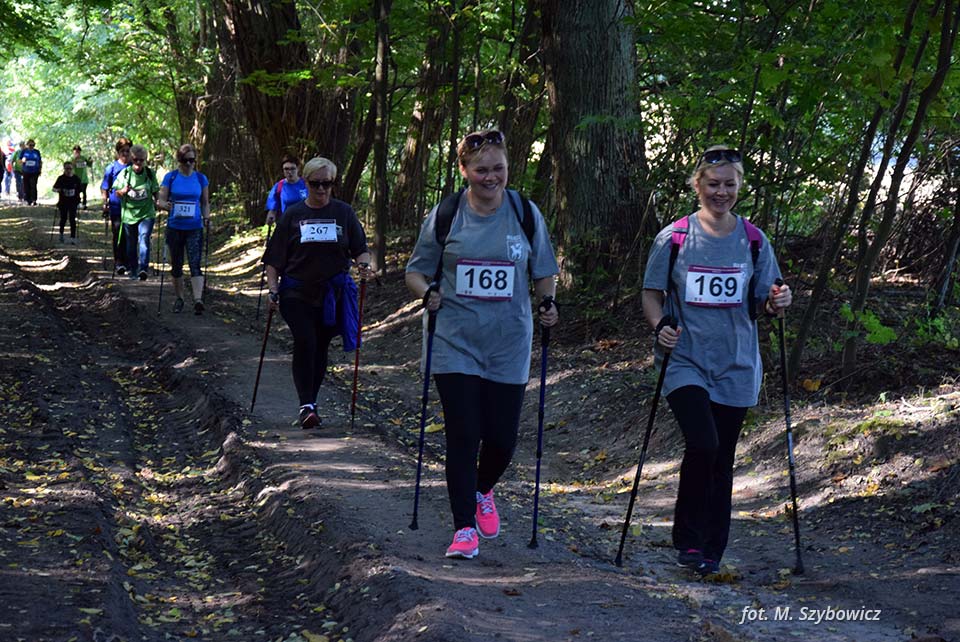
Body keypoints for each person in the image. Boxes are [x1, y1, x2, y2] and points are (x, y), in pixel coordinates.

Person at [404, 129, 559, 560]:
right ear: (464, 170)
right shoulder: (447, 213)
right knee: (464, 434)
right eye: (481, 169)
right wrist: (425, 293)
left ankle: (482, 489)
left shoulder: (526, 213)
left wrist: (548, 302)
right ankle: (463, 529)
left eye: (498, 169)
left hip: (509, 342)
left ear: (508, 168)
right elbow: (415, 271)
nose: (490, 177)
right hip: (454, 341)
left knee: (503, 440)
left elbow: (543, 269)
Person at [641, 146, 793, 576]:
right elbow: (652, 293)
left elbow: (769, 297)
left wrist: (781, 300)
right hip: (685, 359)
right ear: (697, 185)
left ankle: (712, 548)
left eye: (729, 184)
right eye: (713, 184)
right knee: (703, 443)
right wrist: (660, 326)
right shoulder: (673, 238)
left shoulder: (754, 240)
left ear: (740, 186)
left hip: (737, 363)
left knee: (721, 454)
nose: (721, 192)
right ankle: (687, 538)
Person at [263, 157, 375, 429]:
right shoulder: (293, 215)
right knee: (306, 341)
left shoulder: (344, 213)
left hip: (332, 295)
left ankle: (310, 403)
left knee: (321, 346)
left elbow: (360, 248)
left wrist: (363, 264)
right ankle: (306, 404)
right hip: (296, 293)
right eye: (316, 184)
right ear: (307, 183)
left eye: (327, 184)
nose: (322, 189)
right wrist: (273, 288)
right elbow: (274, 258)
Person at [157, 144, 210, 314]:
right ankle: (179, 298)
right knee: (177, 265)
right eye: (185, 160)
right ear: (179, 160)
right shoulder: (170, 177)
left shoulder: (201, 179)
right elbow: (161, 200)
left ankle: (198, 300)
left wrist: (207, 218)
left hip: (194, 227)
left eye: (192, 160)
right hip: (175, 227)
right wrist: (167, 206)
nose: (189, 164)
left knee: (195, 264)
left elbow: (205, 202)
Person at [113, 144, 160, 280]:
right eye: (135, 160)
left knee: (144, 239)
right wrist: (123, 191)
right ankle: (133, 270)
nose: (138, 163)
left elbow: (156, 191)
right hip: (129, 215)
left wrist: (159, 202)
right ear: (131, 159)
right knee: (131, 244)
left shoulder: (150, 174)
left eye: (141, 160)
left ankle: (143, 269)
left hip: (147, 213)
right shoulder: (125, 174)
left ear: (145, 160)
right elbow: (116, 192)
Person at [101, 138, 132, 274]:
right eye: (122, 151)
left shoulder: (135, 167)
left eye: (128, 150)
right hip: (116, 205)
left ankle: (130, 261)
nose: (125, 153)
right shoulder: (111, 168)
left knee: (131, 233)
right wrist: (105, 203)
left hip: (133, 207)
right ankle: (119, 262)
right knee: (118, 233)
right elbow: (105, 187)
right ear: (118, 152)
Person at [264, 154, 308, 224]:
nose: (289, 172)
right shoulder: (279, 186)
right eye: (286, 169)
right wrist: (271, 216)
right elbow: (273, 209)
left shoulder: (307, 184)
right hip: (287, 224)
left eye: (293, 168)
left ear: (298, 169)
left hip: (305, 225)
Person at [52, 161, 82, 244]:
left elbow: (80, 190)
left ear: (72, 169)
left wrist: (79, 199)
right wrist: (59, 190)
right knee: (63, 218)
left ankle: (73, 237)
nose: (69, 170)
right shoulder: (61, 178)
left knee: (72, 219)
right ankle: (61, 235)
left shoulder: (76, 179)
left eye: (70, 168)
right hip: (63, 202)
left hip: (73, 202)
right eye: (67, 169)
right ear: (64, 169)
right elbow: (54, 188)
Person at [20, 139, 41, 205]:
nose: (31, 146)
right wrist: (22, 161)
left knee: (33, 185)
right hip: (26, 171)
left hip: (35, 171)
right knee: (26, 185)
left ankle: (34, 199)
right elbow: (20, 160)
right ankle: (27, 199)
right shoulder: (24, 151)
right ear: (27, 145)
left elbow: (40, 161)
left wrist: (40, 169)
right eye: (30, 145)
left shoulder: (36, 152)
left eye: (33, 145)